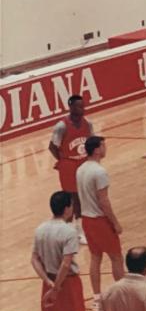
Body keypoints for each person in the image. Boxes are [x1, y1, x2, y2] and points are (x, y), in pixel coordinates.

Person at [75, 136, 123, 311]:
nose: (105, 148)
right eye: (103, 145)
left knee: (95, 258)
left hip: (87, 220)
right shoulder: (99, 172)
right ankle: (121, 296)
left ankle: (96, 299)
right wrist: (115, 223)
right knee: (116, 257)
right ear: (96, 149)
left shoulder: (80, 169)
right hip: (100, 220)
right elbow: (104, 201)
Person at [48, 94, 93, 244]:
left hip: (83, 162)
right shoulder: (61, 126)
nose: (82, 109)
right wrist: (63, 160)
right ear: (71, 107)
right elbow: (52, 146)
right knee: (72, 199)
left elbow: (91, 143)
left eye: (83, 106)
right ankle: (73, 231)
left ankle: (78, 228)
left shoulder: (88, 123)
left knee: (82, 197)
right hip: (69, 164)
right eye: (79, 106)